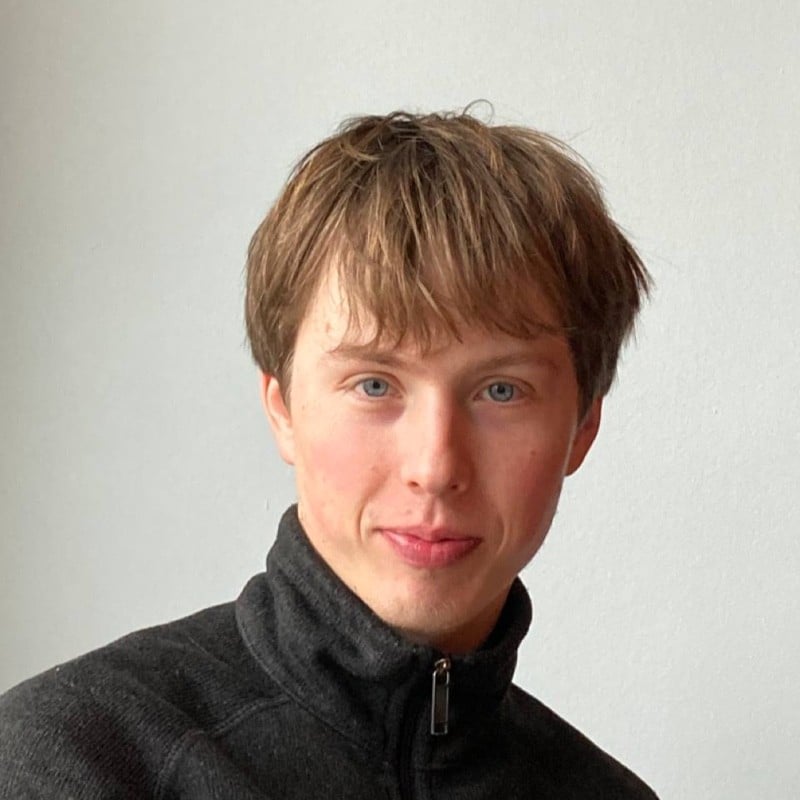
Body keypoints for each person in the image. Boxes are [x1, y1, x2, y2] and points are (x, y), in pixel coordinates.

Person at [0, 109, 658, 798]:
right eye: (374, 385)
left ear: (583, 426)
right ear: (281, 408)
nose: (435, 468)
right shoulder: (73, 759)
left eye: (501, 390)